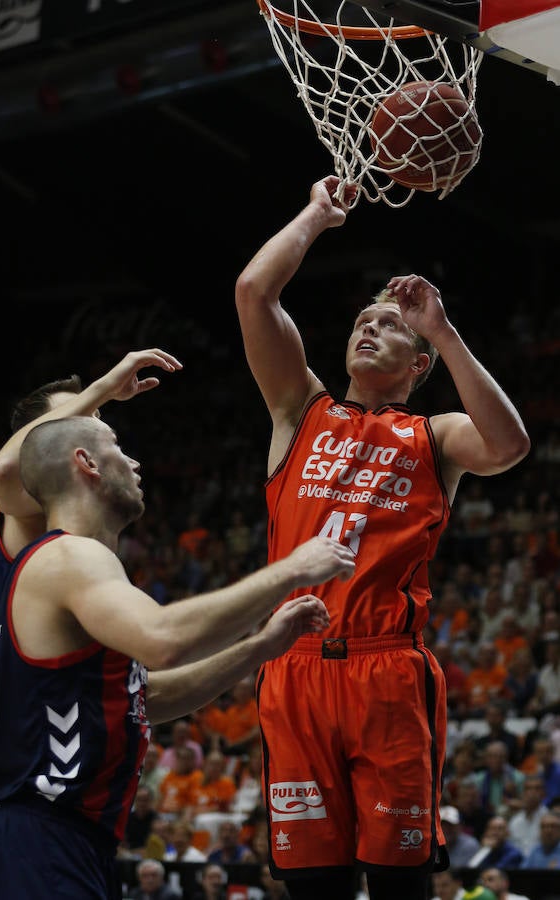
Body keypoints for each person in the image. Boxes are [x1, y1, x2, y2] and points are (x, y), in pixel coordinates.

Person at [234, 174, 530, 900]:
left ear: (418, 366)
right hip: (295, 667)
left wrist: (442, 329)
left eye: (389, 325)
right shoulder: (298, 410)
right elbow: (254, 293)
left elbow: (508, 445)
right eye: (363, 321)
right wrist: (314, 215)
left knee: (400, 885)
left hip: (386, 670)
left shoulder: (433, 435)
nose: (369, 327)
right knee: (314, 886)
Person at [0, 414, 355, 899]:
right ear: (86, 463)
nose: (134, 461)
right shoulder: (69, 557)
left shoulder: (67, 567)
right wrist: (291, 569)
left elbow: (143, 695)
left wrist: (261, 647)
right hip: (40, 837)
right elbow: (163, 639)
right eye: (117, 447)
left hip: (60, 840)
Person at [0, 349, 184, 836]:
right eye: (81, 412)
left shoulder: (76, 541)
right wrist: (103, 383)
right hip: (14, 746)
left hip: (34, 729)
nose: (92, 420)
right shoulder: (25, 508)